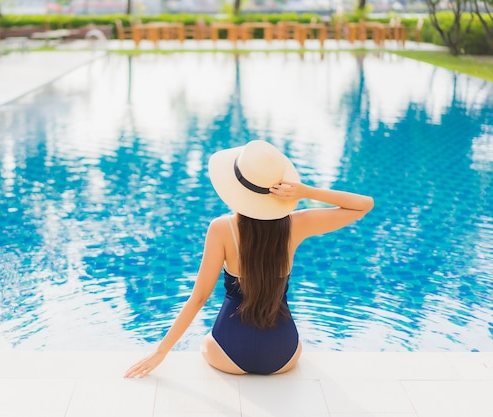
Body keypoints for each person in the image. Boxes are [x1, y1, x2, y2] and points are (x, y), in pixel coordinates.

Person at [124, 140, 373, 378]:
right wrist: (305, 191)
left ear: (236, 188)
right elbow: (363, 205)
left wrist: (160, 352)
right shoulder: (297, 225)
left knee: (204, 344)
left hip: (228, 354)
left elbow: (199, 298)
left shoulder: (221, 229)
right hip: (283, 355)